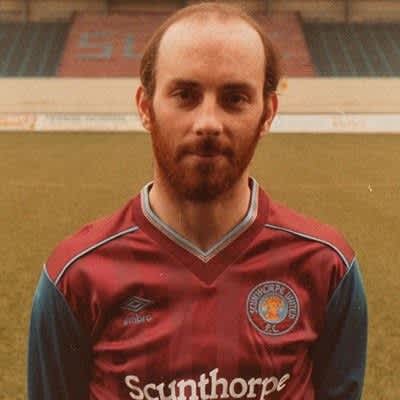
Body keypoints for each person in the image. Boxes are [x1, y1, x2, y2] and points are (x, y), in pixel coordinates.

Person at [28, 2, 367, 400]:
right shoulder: (75, 277)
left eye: (235, 98)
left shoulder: (327, 266)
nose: (208, 123)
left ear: (267, 112)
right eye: (185, 95)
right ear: (145, 107)